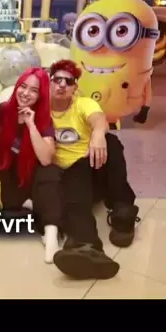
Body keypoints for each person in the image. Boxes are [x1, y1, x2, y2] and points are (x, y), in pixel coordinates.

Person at [49, 59, 138, 280]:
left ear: (75, 88)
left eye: (68, 81)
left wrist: (98, 133)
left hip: (95, 168)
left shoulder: (83, 103)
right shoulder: (42, 111)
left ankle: (123, 212)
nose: (62, 85)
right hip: (71, 178)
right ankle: (86, 246)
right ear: (49, 83)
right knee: (74, 187)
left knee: (112, 142)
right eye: (57, 80)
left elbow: (98, 119)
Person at [0, 67, 62, 263]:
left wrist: (31, 125)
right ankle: (29, 205)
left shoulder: (43, 119)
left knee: (50, 171)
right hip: (8, 175)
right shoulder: (3, 110)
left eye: (34, 90)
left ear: (40, 95)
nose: (25, 93)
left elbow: (46, 159)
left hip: (32, 174)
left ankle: (51, 233)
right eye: (23, 86)